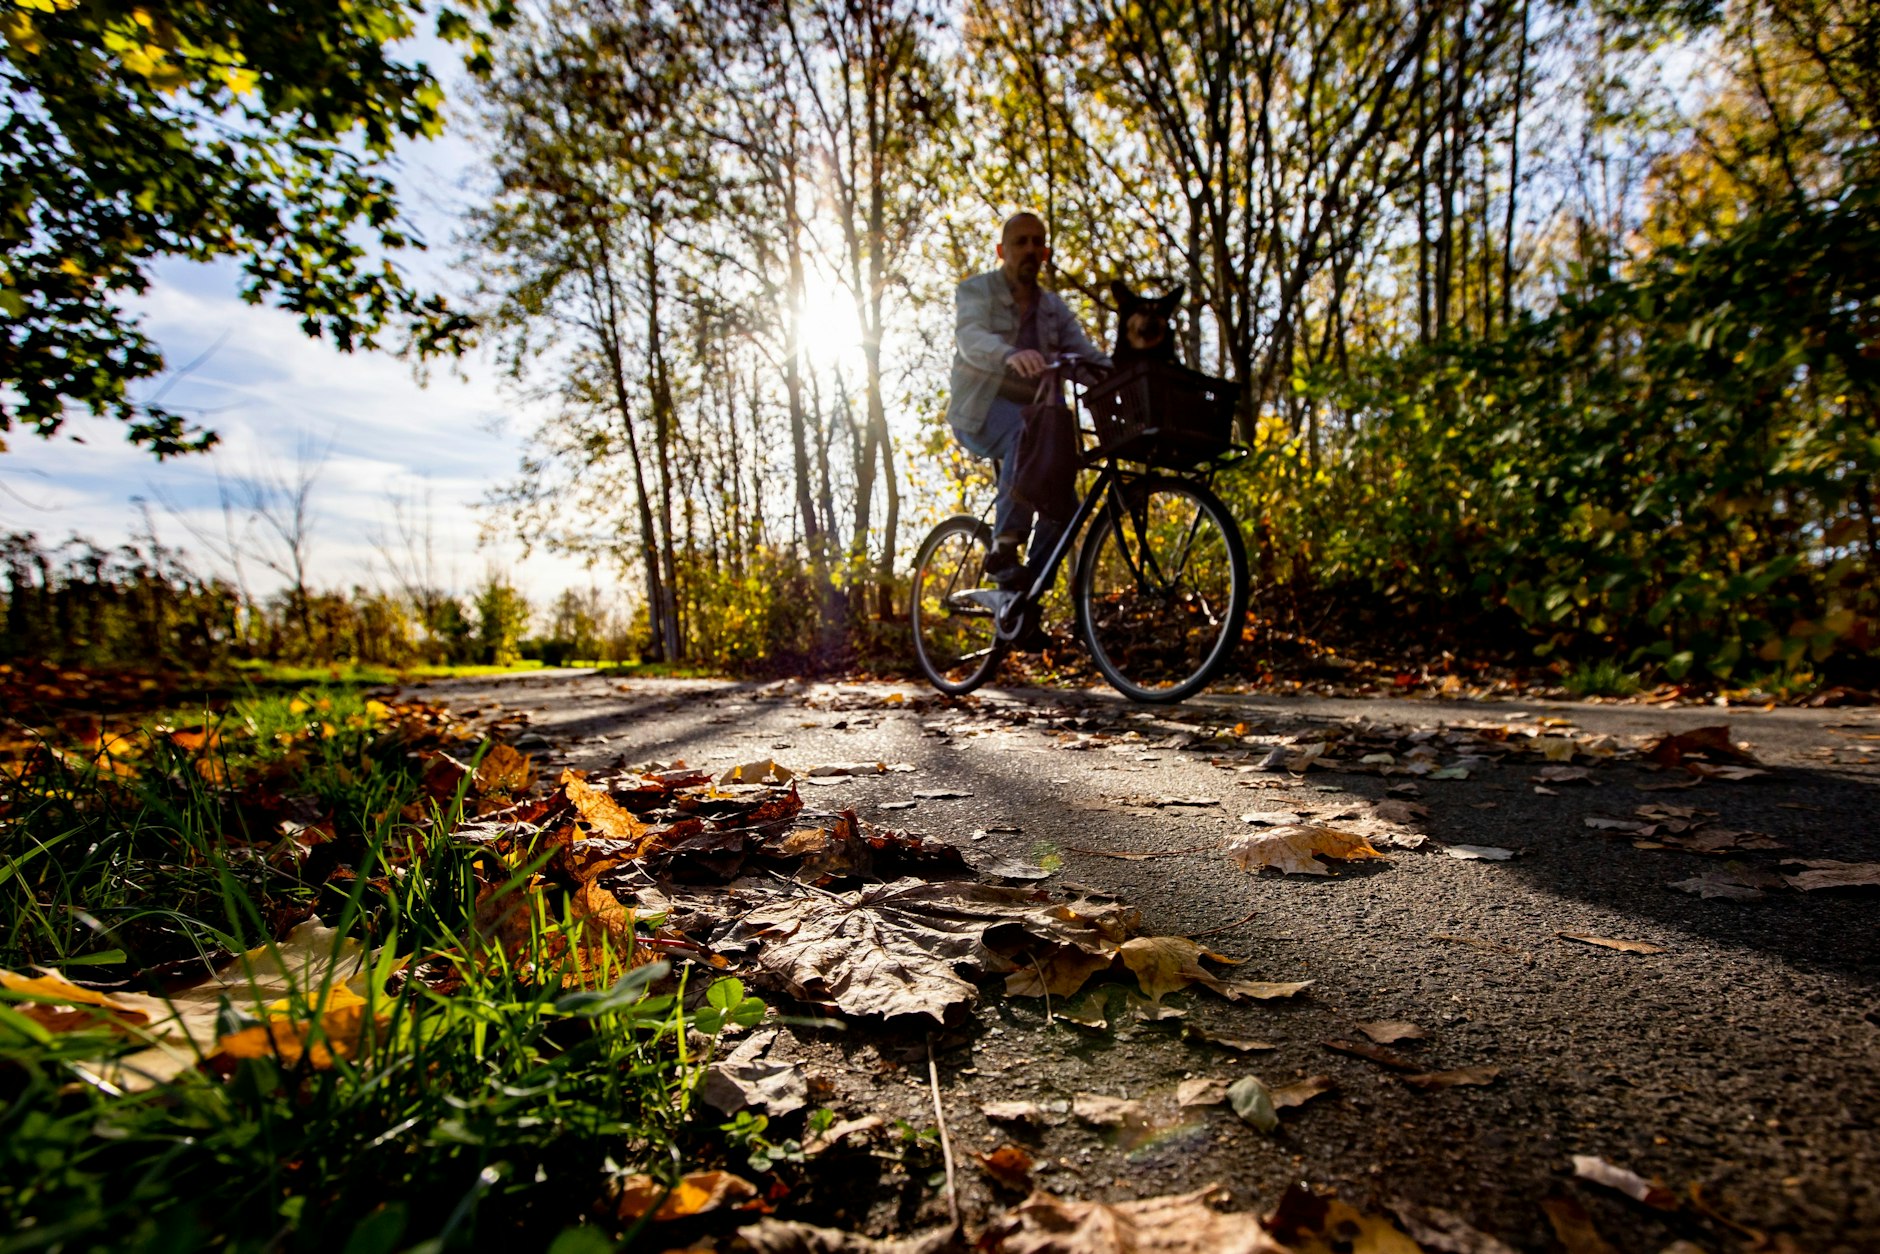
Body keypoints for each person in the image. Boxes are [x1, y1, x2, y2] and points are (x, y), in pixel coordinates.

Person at [945, 212, 1111, 591]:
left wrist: (1122, 377)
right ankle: (1003, 550)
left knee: (1065, 505)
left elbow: (1085, 359)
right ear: (1003, 250)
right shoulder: (977, 291)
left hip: (1040, 423)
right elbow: (970, 337)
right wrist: (1007, 354)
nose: (1030, 250)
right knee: (1027, 431)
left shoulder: (1053, 309)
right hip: (980, 414)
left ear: (1046, 253)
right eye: (1020, 242)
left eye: (1038, 243)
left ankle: (1023, 599)